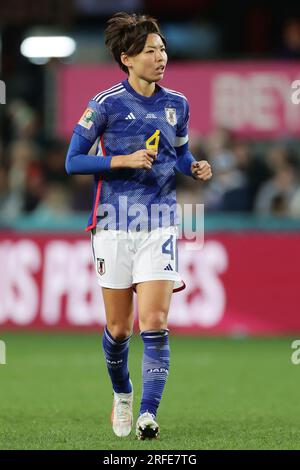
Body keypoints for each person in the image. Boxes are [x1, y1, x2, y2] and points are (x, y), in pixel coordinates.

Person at [65, 12, 212, 440]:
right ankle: (123, 394)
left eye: (163, 48)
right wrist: (121, 161)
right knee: (119, 328)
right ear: (127, 58)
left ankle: (148, 413)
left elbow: (180, 154)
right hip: (112, 223)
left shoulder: (177, 104)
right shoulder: (105, 103)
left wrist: (194, 166)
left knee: (155, 321)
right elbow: (73, 161)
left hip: (160, 223)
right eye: (151, 50)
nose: (161, 56)